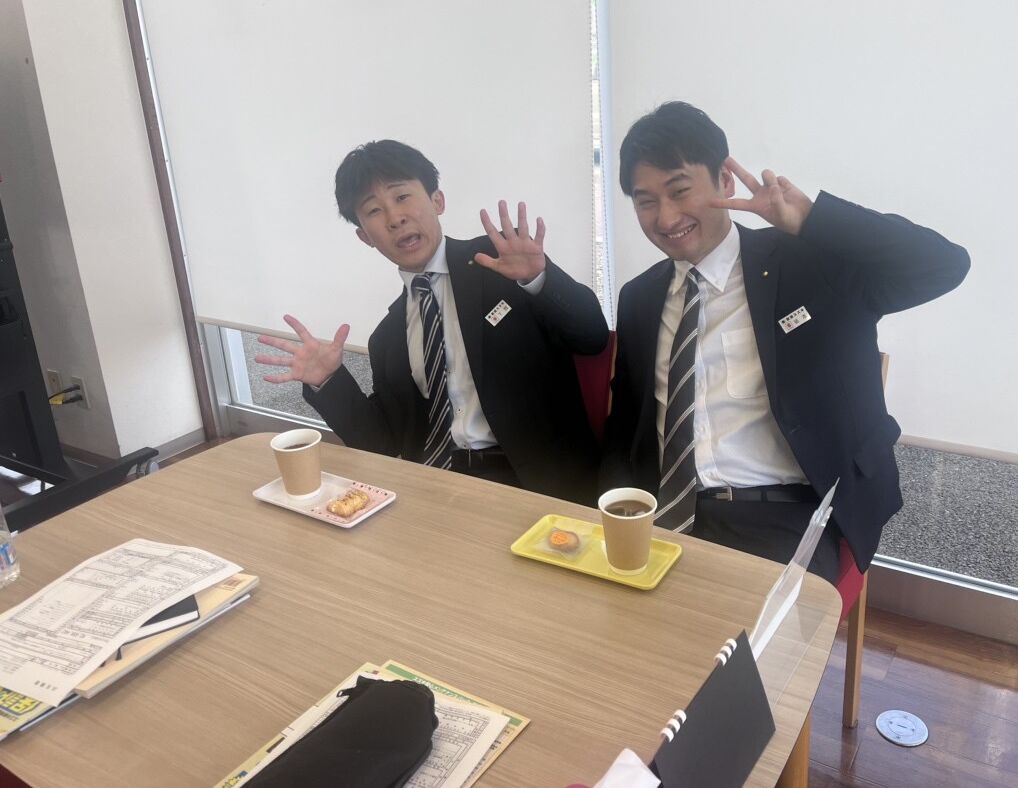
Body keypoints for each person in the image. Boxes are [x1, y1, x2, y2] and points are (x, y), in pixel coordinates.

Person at [599, 102, 970, 580]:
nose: (666, 217)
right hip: (660, 514)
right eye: (646, 201)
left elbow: (945, 266)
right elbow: (625, 424)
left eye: (680, 191)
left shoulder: (810, 266)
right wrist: (602, 511)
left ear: (724, 180)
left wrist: (813, 220)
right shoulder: (640, 297)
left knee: (738, 633)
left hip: (781, 517)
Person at [257, 139, 609, 504]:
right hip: (432, 487)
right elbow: (381, 442)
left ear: (437, 201)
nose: (395, 218)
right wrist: (327, 381)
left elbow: (592, 337)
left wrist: (539, 278)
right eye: (374, 210)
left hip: (532, 484)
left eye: (402, 197)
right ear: (364, 237)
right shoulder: (387, 338)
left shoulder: (501, 264)